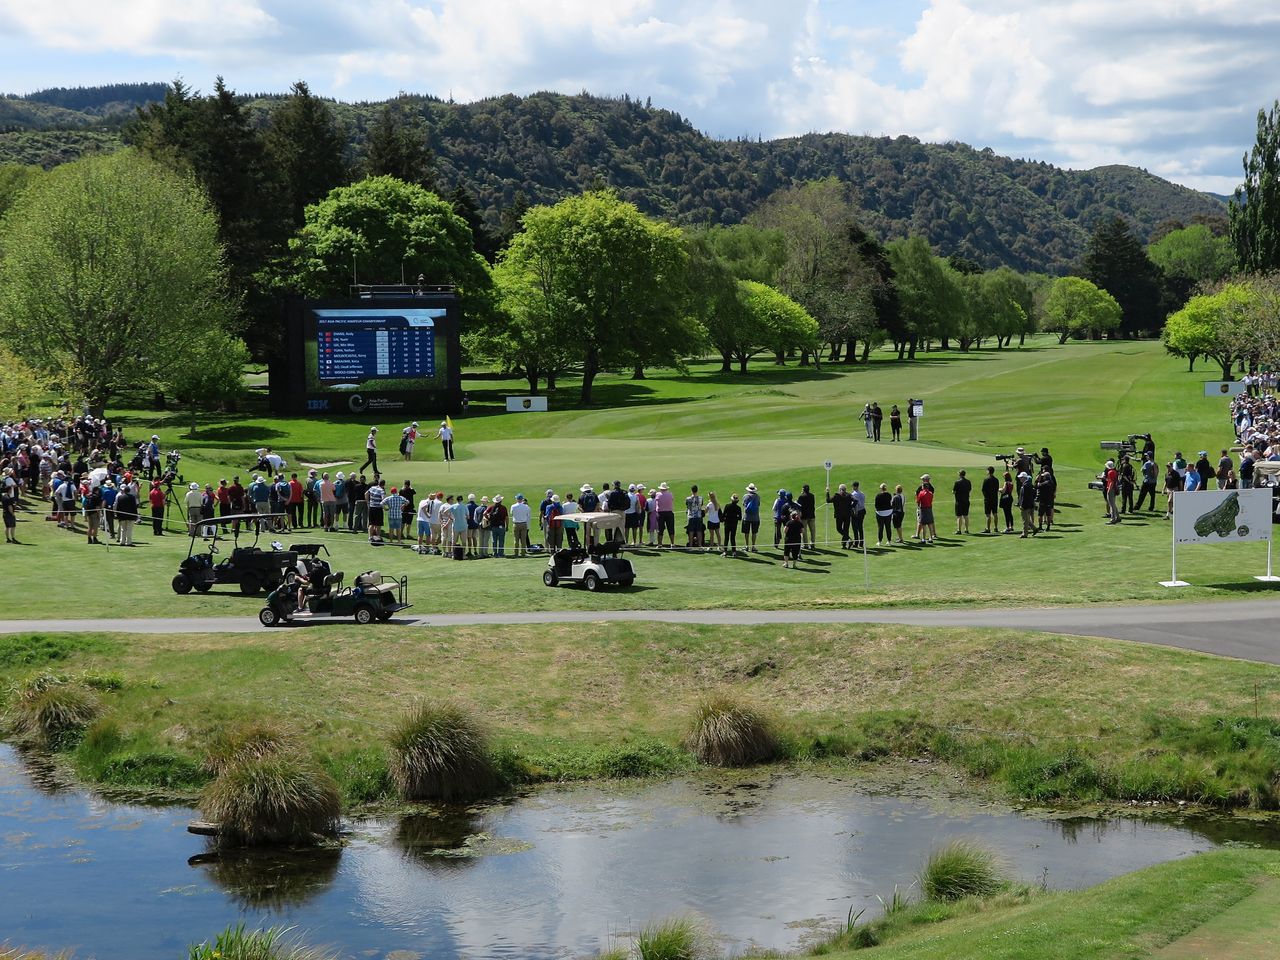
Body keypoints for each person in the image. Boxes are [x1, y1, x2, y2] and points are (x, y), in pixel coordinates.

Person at [826, 483, 853, 549]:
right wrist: (851, 507)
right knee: (845, 530)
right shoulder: (849, 495)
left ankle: (847, 541)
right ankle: (846, 542)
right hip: (847, 515)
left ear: (840, 489)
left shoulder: (836, 496)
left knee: (839, 529)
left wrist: (827, 492)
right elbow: (855, 501)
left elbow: (828, 500)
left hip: (839, 515)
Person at [915, 476, 936, 543]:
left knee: (923, 524)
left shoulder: (921, 493)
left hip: (923, 509)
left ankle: (923, 539)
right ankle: (931, 538)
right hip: (929, 508)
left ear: (923, 487)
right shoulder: (931, 493)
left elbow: (918, 501)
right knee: (930, 523)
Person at [742, 483, 761, 552]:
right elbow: (758, 504)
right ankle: (753, 546)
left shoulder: (745, 496)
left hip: (747, 517)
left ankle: (747, 546)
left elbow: (744, 505)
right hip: (755, 517)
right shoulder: (757, 497)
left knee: (746, 532)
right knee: (754, 533)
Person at [655, 482, 675, 547]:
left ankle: (660, 543)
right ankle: (672, 543)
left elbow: (657, 502)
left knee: (660, 529)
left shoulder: (658, 494)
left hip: (660, 513)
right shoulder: (670, 494)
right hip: (669, 512)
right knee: (671, 528)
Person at [1017, 471, 1037, 538]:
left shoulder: (1025, 485)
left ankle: (1025, 533)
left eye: (1021, 478)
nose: (1020, 479)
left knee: (1025, 520)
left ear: (1024, 478)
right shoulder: (1029, 485)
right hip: (1029, 504)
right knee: (1027, 519)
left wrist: (1022, 505)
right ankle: (1034, 529)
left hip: (1025, 505)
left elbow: (1024, 497)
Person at [366, 477, 385, 543]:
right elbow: (383, 500)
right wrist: (384, 507)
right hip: (378, 509)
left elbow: (366, 494)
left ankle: (370, 537)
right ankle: (378, 537)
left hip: (372, 507)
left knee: (371, 523)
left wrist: (368, 502)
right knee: (378, 524)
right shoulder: (381, 490)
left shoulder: (372, 488)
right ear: (383, 485)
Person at [685, 484, 704, 549]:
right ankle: (700, 545)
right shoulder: (701, 498)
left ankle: (690, 545)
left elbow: (687, 506)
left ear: (691, 490)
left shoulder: (688, 499)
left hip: (691, 516)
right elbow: (701, 505)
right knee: (699, 531)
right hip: (698, 516)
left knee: (691, 531)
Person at [982, 466, 1000, 534]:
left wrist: (986, 496)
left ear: (988, 471)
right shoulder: (996, 479)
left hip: (988, 499)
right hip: (995, 498)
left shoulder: (986, 479)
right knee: (995, 513)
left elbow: (983, 489)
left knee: (988, 514)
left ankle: (988, 528)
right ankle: (996, 527)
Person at [797, 484, 816, 549]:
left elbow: (799, 506)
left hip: (804, 516)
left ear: (803, 490)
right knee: (813, 530)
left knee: (804, 531)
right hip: (811, 515)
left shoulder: (801, 497)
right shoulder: (812, 496)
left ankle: (805, 545)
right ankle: (812, 543)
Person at [953, 470, 972, 534]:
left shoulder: (957, 482)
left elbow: (954, 491)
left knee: (959, 516)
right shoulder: (968, 482)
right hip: (966, 500)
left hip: (959, 501)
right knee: (966, 515)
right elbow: (969, 490)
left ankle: (959, 530)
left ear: (959, 474)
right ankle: (966, 529)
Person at [850, 481, 867, 550]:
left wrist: (855, 512)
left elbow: (855, 505)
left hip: (857, 512)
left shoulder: (853, 494)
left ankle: (856, 543)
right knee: (860, 526)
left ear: (854, 487)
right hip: (862, 511)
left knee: (855, 528)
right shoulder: (862, 494)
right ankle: (861, 542)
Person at [1103, 459, 1121, 523]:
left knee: (1111, 505)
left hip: (1111, 489)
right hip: (1113, 488)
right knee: (1113, 504)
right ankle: (1118, 517)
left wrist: (1109, 490)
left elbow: (1112, 482)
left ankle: (1113, 519)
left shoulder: (1110, 472)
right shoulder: (1114, 471)